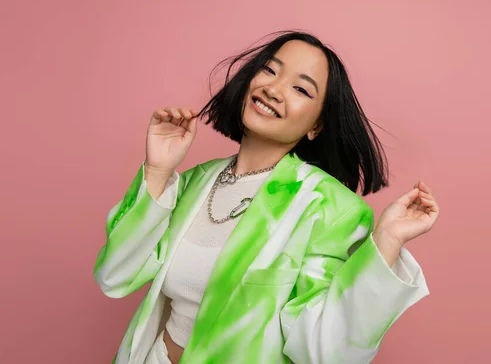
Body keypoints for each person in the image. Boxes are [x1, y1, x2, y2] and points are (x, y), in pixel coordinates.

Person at [94, 30, 440, 364]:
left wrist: (386, 242)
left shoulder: (329, 207)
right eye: (269, 70)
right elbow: (115, 276)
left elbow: (328, 351)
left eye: (301, 89)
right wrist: (157, 171)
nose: (274, 89)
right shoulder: (197, 181)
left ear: (316, 126)